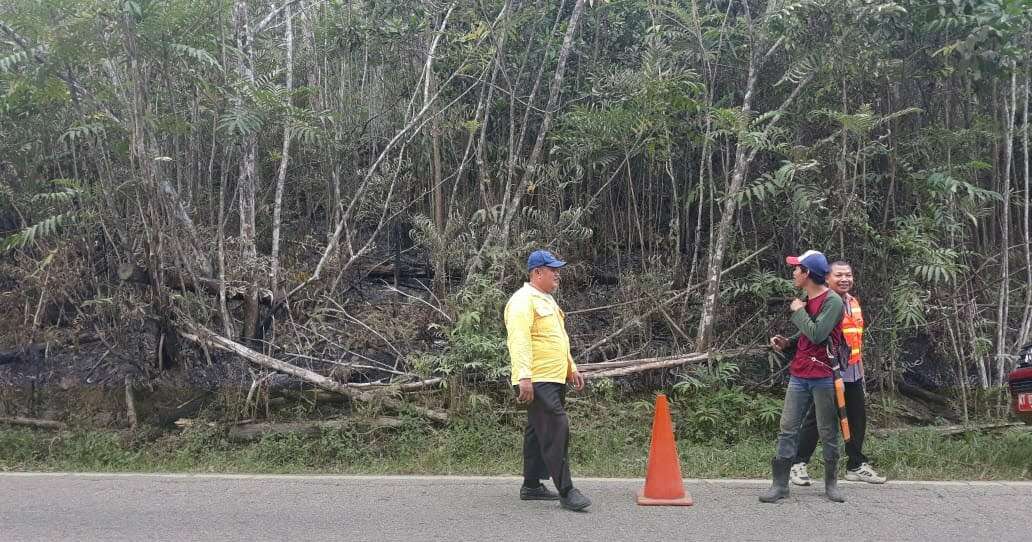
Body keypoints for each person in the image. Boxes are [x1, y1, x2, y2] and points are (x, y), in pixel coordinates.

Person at [504, 249, 591, 512]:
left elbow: (557, 340)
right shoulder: (522, 301)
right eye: (552, 270)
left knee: (536, 431)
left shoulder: (547, 300)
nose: (558, 274)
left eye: (558, 270)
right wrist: (524, 377)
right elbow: (519, 341)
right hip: (537, 378)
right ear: (536, 272)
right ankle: (567, 490)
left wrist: (571, 368)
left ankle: (531, 485)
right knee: (556, 427)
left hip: (553, 377)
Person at [790, 261, 886, 486]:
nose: (845, 279)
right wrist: (788, 343)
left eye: (848, 275)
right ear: (826, 278)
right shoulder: (824, 302)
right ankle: (798, 463)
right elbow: (811, 334)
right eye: (839, 275)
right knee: (817, 419)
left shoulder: (852, 302)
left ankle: (855, 465)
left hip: (853, 369)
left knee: (856, 417)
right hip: (829, 369)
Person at [761, 250, 846, 503]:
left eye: (797, 269)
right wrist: (787, 343)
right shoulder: (808, 300)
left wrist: (798, 312)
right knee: (787, 429)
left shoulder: (833, 302)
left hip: (822, 375)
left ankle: (831, 484)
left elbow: (819, 333)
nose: (794, 273)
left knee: (827, 430)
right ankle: (780, 485)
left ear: (807, 273)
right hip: (800, 374)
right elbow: (807, 336)